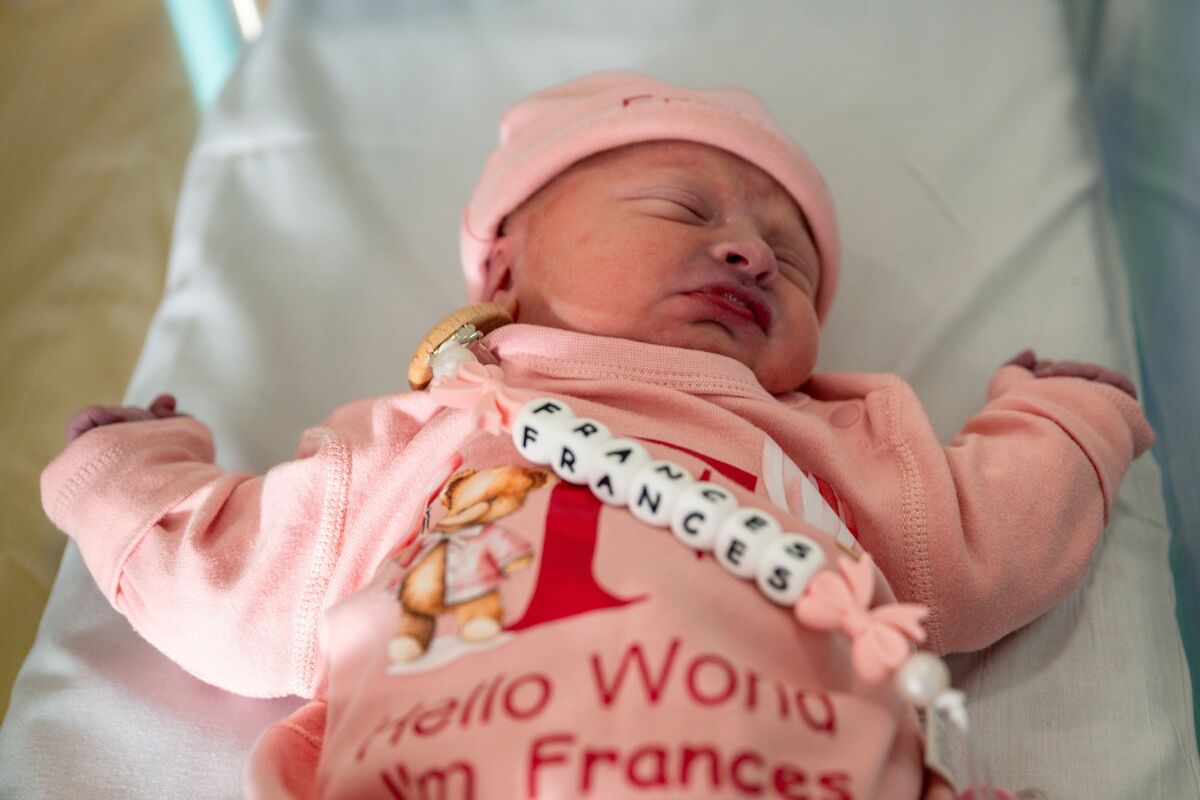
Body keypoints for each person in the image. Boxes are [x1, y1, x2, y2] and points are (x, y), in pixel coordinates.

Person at [45, 72, 1152, 799]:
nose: (752, 254)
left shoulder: (820, 443)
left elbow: (981, 544)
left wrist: (1062, 419)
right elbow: (232, 580)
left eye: (793, 260)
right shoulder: (435, 433)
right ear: (507, 266)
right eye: (685, 211)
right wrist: (131, 473)